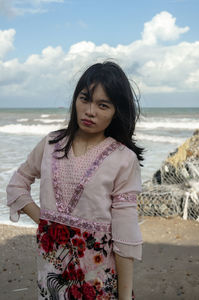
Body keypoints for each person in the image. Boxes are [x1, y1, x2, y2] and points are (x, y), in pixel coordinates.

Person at [7, 61, 143, 300]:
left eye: (103, 105)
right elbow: (18, 183)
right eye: (84, 98)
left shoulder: (123, 159)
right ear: (75, 100)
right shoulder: (51, 144)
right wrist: (45, 220)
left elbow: (125, 237)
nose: (90, 111)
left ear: (116, 111)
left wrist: (124, 296)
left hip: (98, 278)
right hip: (50, 272)